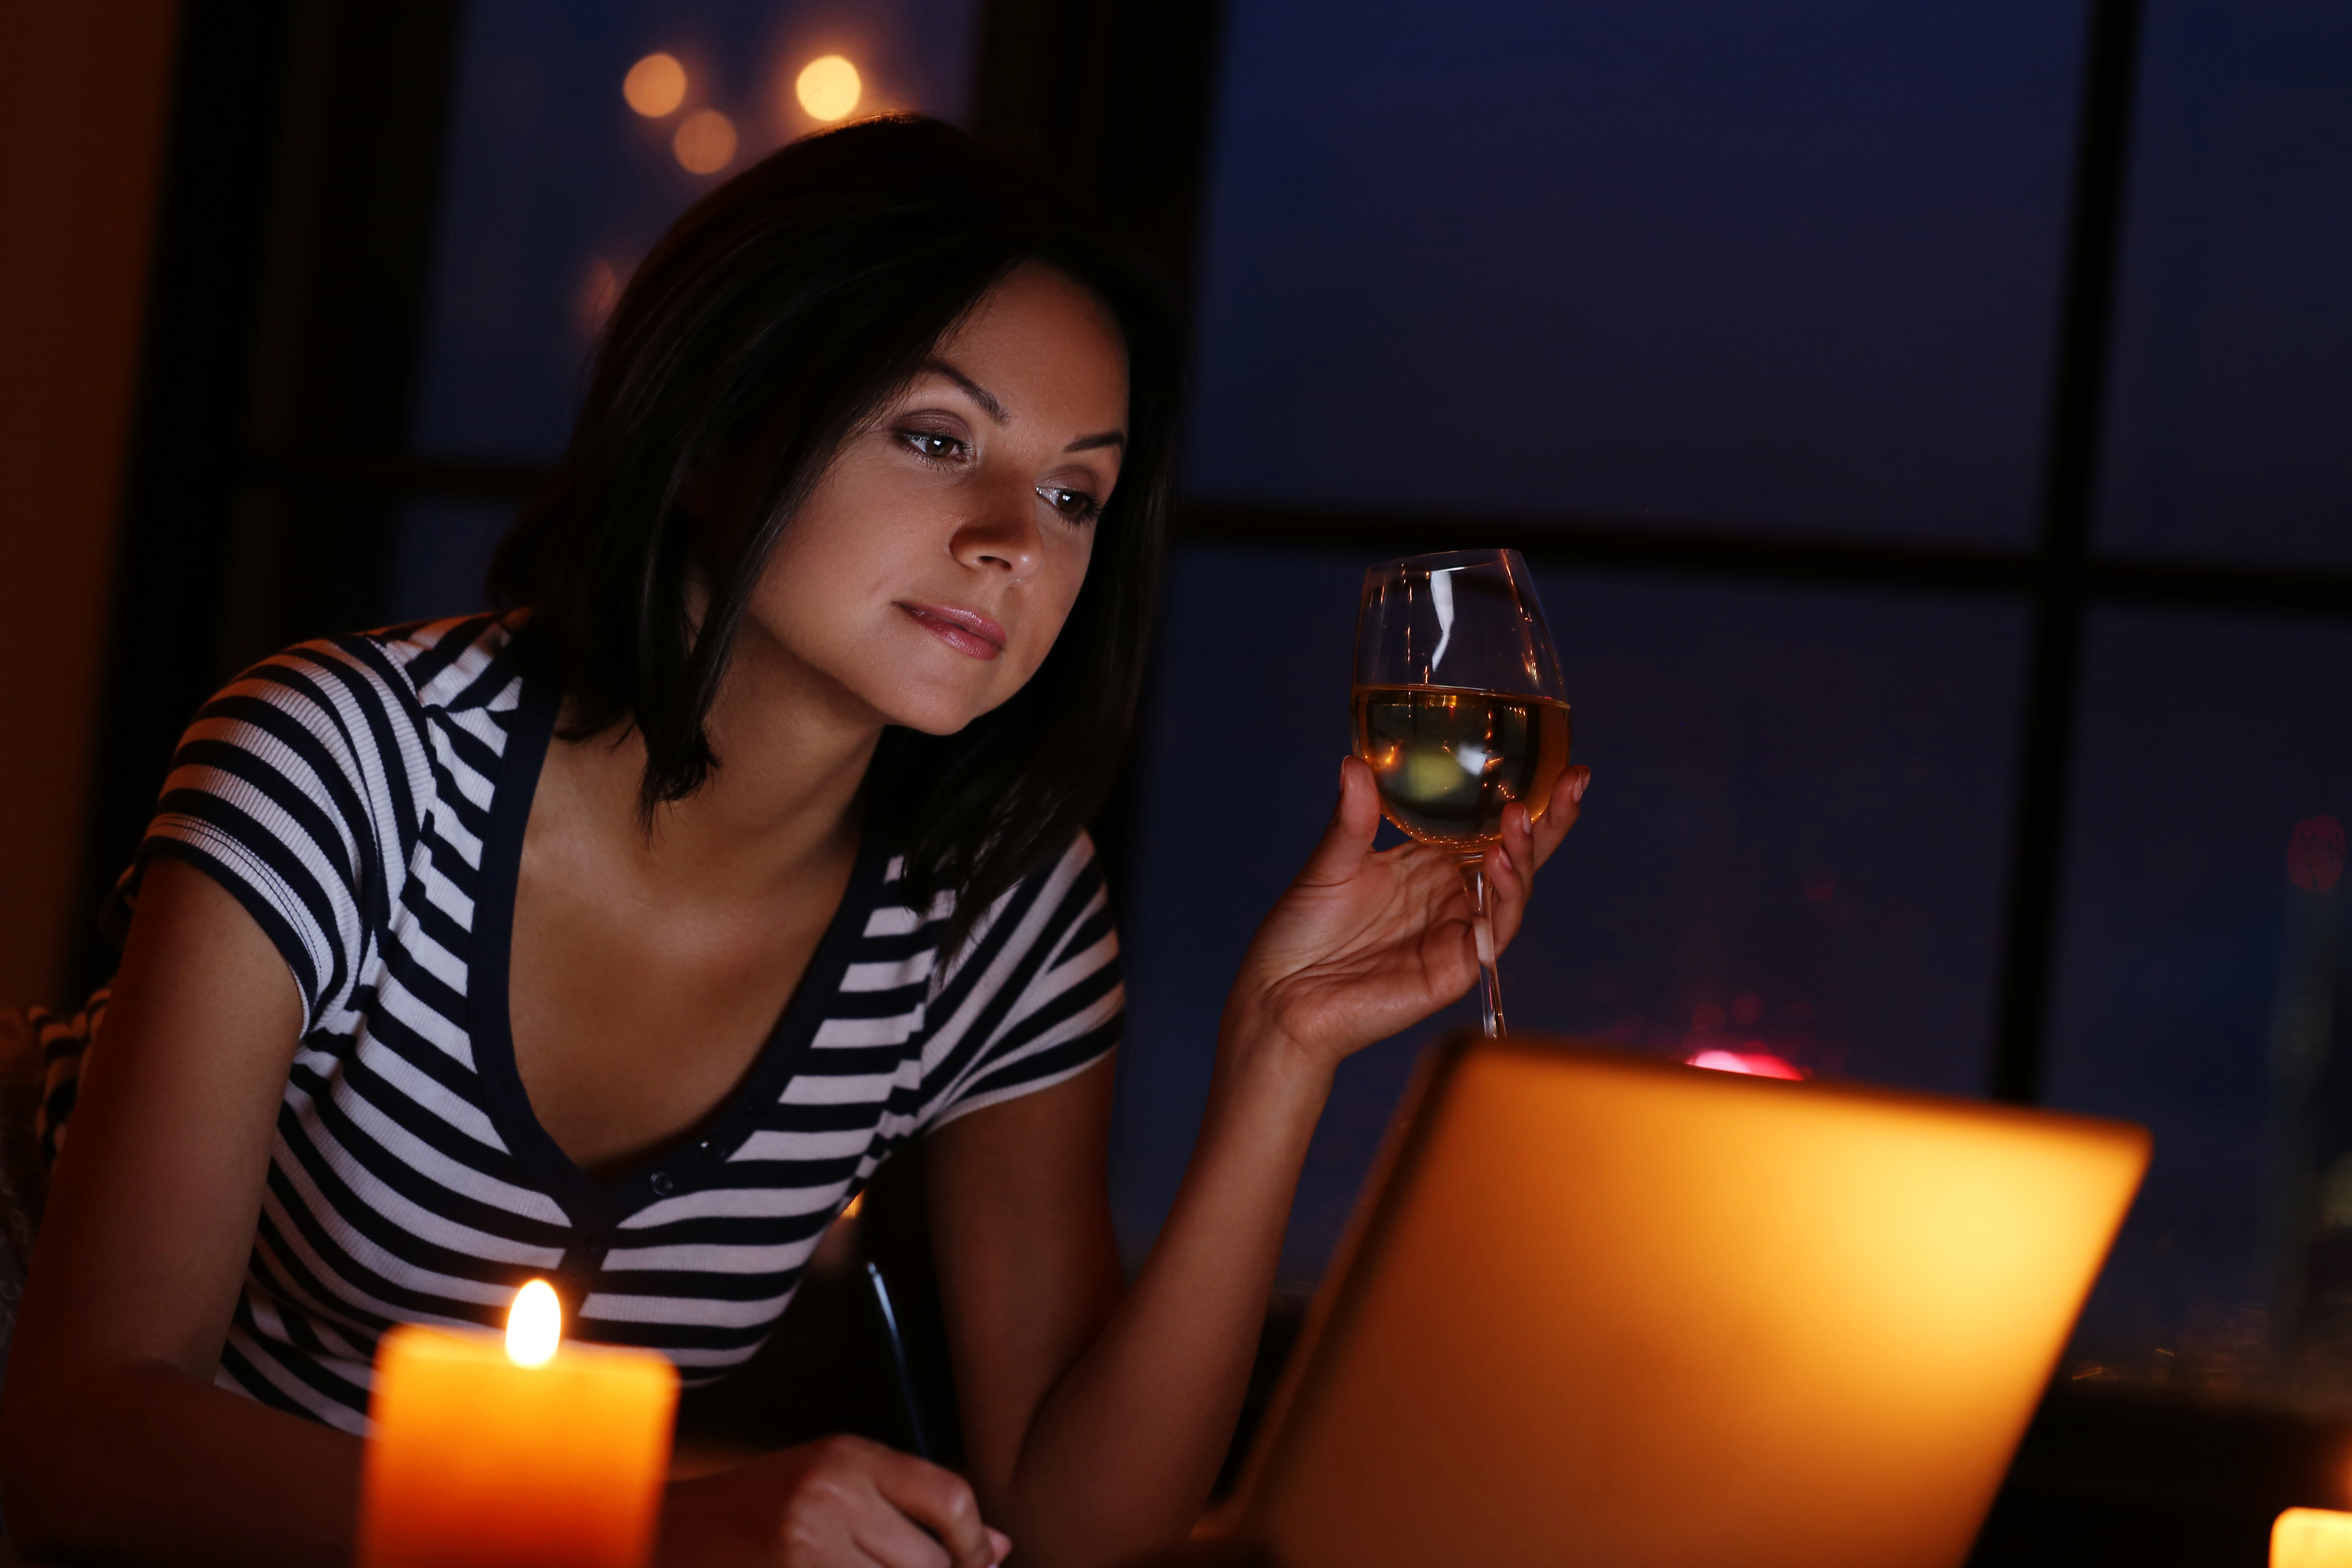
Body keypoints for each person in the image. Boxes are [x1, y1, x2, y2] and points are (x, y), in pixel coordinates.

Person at [0, 116, 1587, 1568]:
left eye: (1077, 497)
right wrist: (633, 1539)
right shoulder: (346, 764)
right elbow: (82, 1443)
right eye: (936, 438)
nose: (1011, 542)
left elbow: (1077, 1520)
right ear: (712, 435)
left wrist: (1282, 1053)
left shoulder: (999, 917)